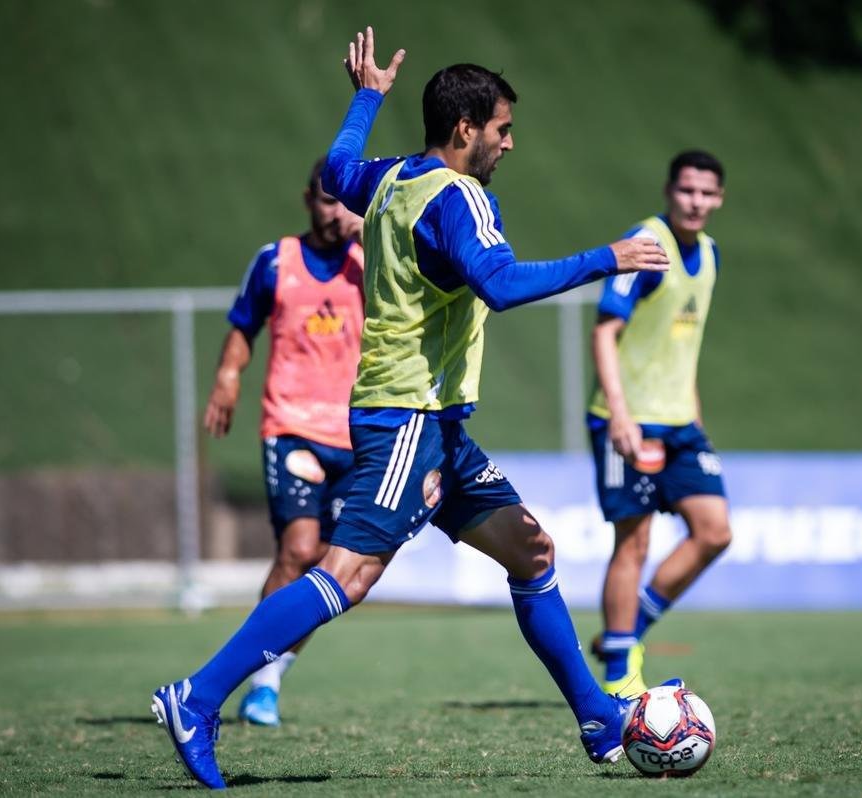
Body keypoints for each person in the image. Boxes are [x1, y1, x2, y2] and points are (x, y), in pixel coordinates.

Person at [151, 27, 672, 789]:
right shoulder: (461, 198)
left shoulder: (393, 180)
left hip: (436, 423)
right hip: (408, 419)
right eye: (503, 129)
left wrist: (366, 100)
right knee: (346, 574)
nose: (510, 144)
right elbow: (502, 284)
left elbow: (335, 170)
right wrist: (607, 258)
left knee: (533, 552)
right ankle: (195, 699)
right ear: (467, 131)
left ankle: (596, 715)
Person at [201, 157, 365, 727]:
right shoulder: (277, 261)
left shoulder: (370, 263)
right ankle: (258, 682)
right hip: (291, 426)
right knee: (297, 549)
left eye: (346, 200)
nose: (335, 211)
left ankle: (270, 675)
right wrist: (227, 379)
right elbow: (242, 327)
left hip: (356, 432)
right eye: (326, 199)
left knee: (327, 566)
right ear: (307, 200)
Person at [587, 150, 733, 697]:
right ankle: (620, 676)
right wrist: (620, 416)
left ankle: (631, 629)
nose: (695, 201)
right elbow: (605, 331)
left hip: (680, 422)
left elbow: (683, 347)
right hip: (626, 420)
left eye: (706, 193)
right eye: (687, 190)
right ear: (670, 191)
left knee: (715, 531)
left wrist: (696, 416)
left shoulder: (713, 256)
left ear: (719, 199)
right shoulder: (647, 246)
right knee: (634, 542)